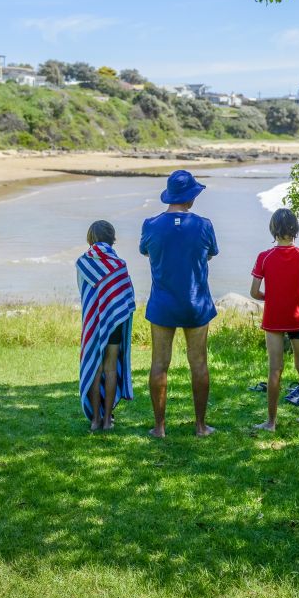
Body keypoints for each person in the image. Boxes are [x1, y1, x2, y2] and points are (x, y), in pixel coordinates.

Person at [139, 169, 218, 438]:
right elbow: (209, 254)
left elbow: (146, 251)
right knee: (199, 364)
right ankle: (201, 426)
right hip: (196, 303)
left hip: (163, 304)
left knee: (159, 364)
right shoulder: (204, 225)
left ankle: (159, 427)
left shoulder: (151, 224)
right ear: (190, 197)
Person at [249, 208, 299, 431]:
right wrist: (298, 296)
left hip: (274, 319)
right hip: (298, 318)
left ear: (273, 229)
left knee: (275, 370)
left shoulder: (264, 257)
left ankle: (271, 423)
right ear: (295, 229)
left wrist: (271, 298)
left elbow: (254, 292)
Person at [76, 220, 136, 431]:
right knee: (110, 367)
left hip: (92, 322)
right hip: (114, 323)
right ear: (112, 239)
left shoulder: (82, 263)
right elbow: (127, 297)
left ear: (90, 238)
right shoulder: (119, 265)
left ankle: (95, 420)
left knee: (95, 367)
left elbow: (84, 293)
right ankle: (108, 419)